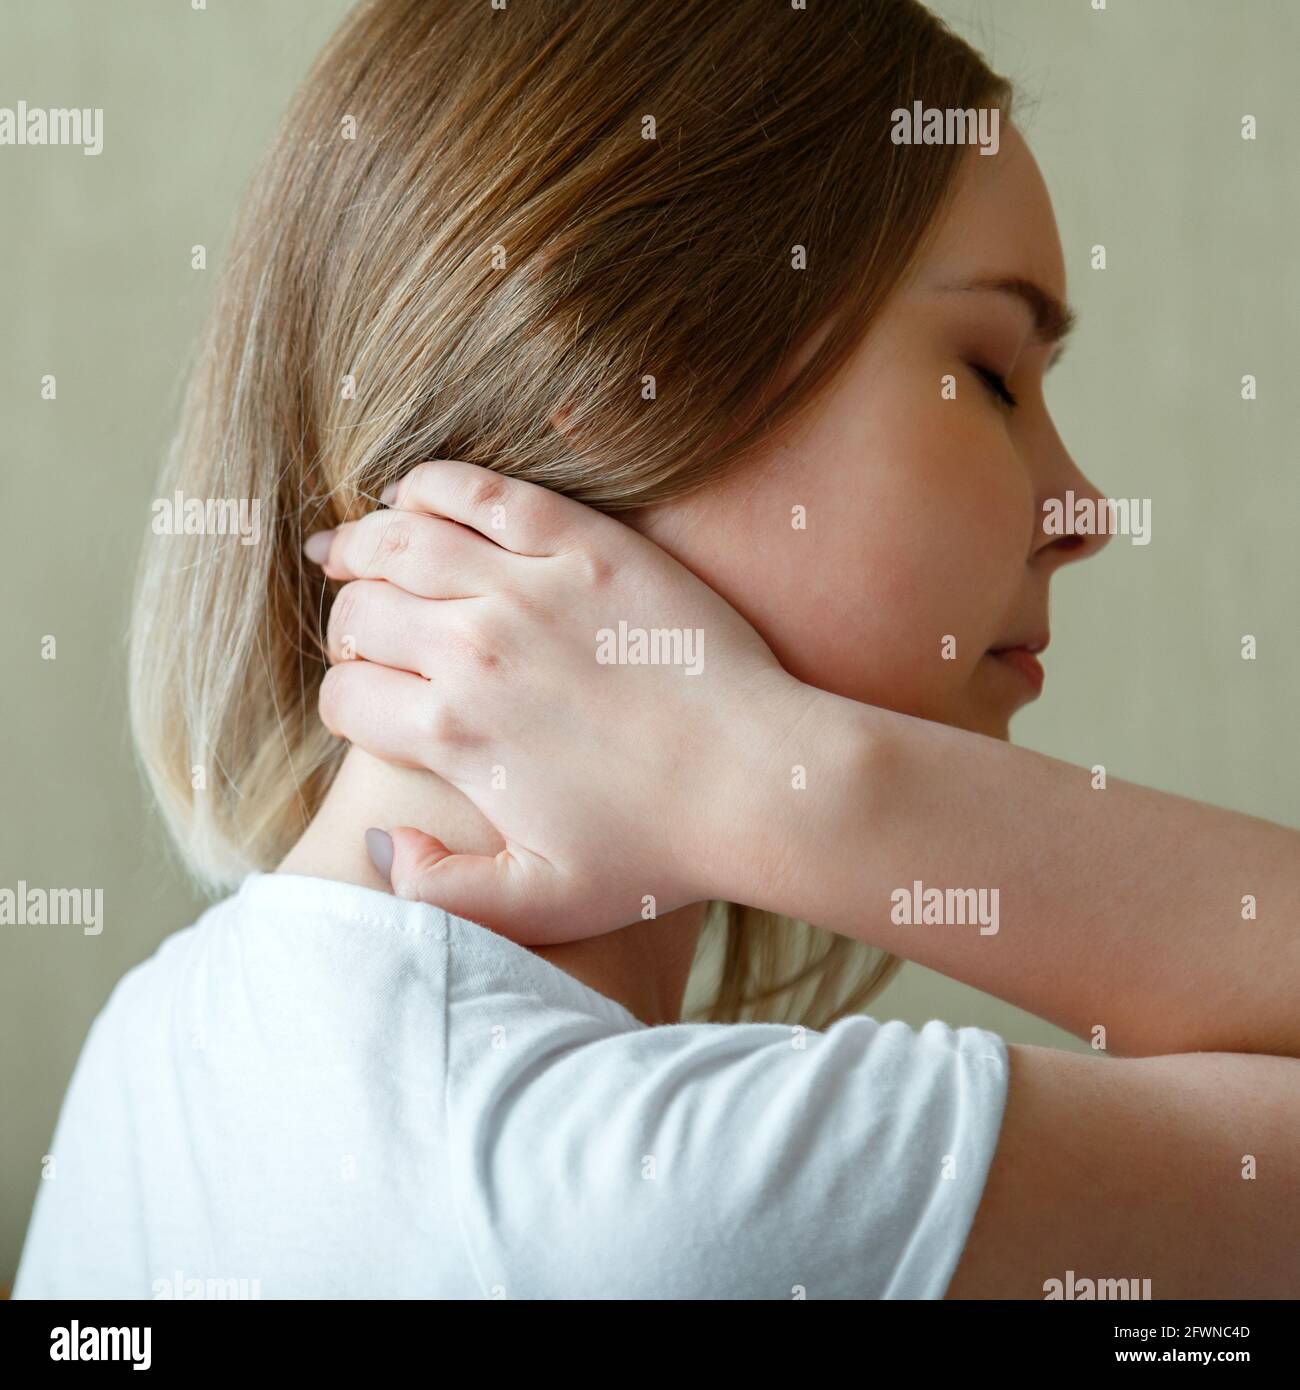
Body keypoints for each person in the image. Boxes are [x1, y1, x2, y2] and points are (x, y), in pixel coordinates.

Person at [13, 0, 1298, 1299]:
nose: (1081, 510)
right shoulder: (691, 1191)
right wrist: (802, 785)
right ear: (624, 364)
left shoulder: (157, 1043)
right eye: (995, 371)